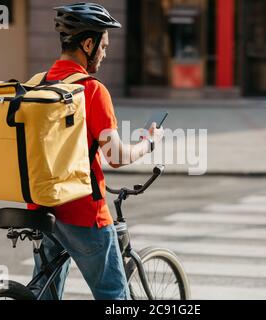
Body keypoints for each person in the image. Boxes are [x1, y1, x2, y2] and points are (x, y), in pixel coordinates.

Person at [28, 3, 164, 300]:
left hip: (41, 206)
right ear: (87, 44)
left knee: (45, 295)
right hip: (82, 213)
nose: (104, 54)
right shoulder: (91, 90)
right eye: (103, 46)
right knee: (115, 297)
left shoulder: (38, 84)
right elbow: (115, 157)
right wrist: (148, 143)